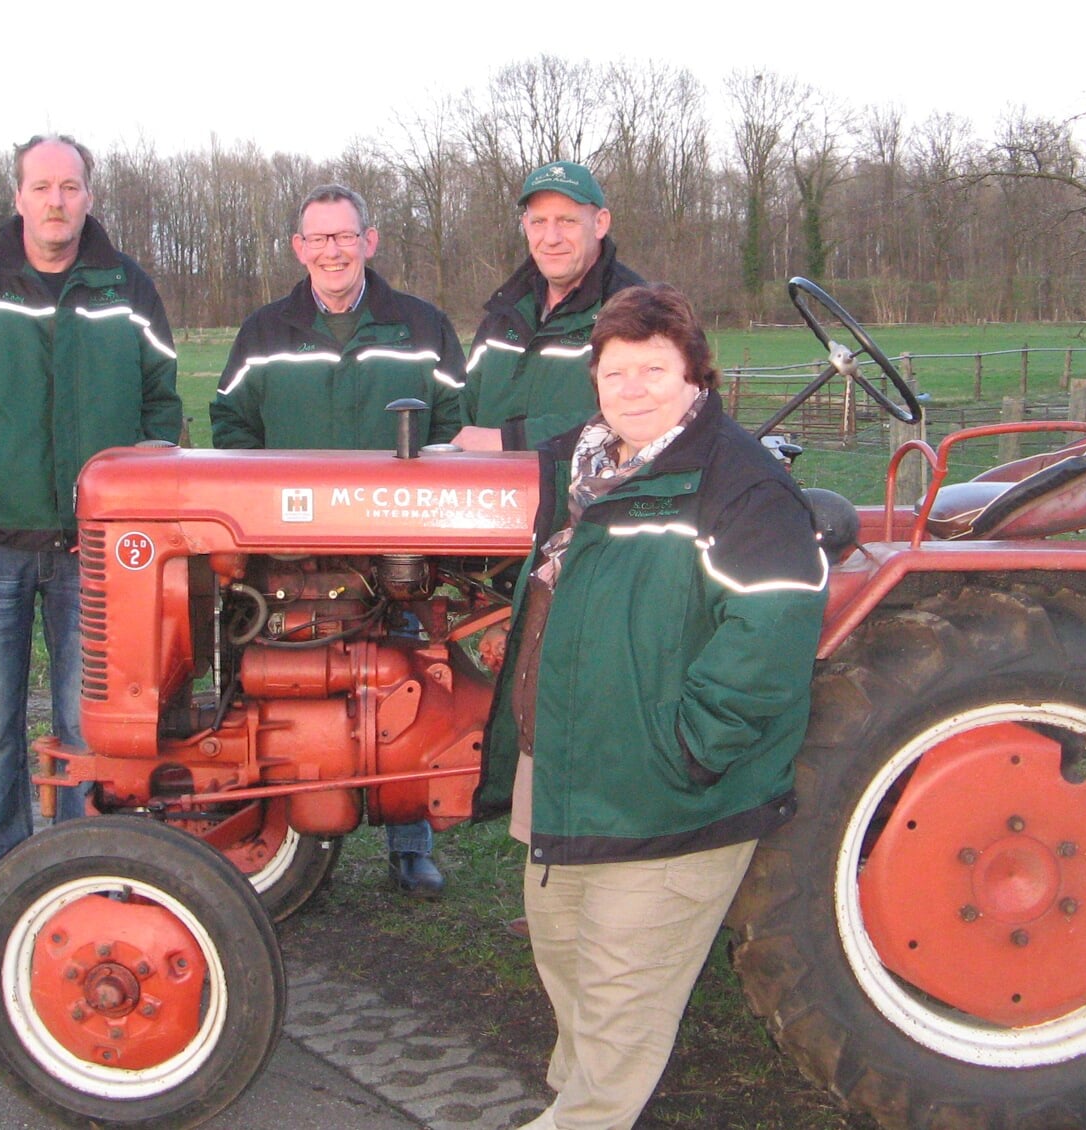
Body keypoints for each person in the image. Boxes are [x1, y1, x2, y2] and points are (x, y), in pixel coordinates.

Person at [476, 285, 826, 1130]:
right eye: (614, 369)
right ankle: (575, 1100)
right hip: (567, 767)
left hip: (667, 785)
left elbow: (770, 634)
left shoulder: (739, 486)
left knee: (624, 987)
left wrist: (689, 751)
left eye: (653, 369)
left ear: (695, 377)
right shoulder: (581, 470)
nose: (631, 387)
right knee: (566, 957)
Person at [0, 134, 183, 944]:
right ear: (18, 196)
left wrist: (136, 516)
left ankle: (87, 887)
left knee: (91, 729)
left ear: (90, 196)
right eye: (42, 186)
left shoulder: (128, 290)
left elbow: (163, 408)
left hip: (96, 558)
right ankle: (0, 885)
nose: (57, 201)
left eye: (72, 186)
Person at [210, 184, 463, 896]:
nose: (332, 251)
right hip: (287, 553)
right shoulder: (265, 333)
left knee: (408, 684)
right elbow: (230, 427)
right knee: (282, 691)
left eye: (344, 236)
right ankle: (295, 843)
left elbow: (453, 422)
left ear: (369, 241)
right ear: (299, 249)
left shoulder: (420, 327)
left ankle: (410, 846)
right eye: (318, 239)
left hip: (394, 549)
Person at [453, 160, 643, 453]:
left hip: (589, 498)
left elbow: (649, 419)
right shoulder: (503, 314)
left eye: (567, 221)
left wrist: (513, 440)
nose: (551, 238)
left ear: (600, 223)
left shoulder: (639, 311)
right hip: (497, 495)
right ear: (526, 226)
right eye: (539, 222)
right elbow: (464, 411)